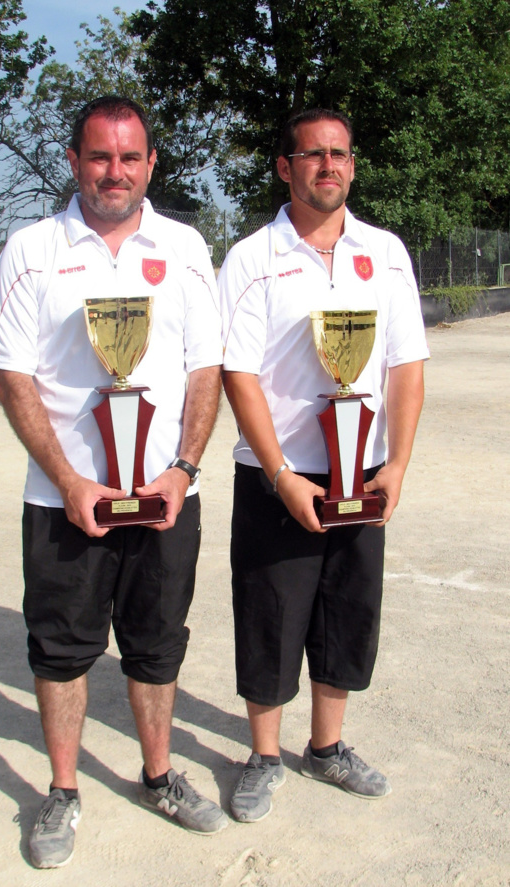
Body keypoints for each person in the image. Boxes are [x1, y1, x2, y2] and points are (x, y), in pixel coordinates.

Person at [0, 95, 228, 867]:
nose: (113, 172)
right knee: (60, 649)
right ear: (74, 162)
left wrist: (183, 471)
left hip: (162, 498)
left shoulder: (185, 246)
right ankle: (62, 791)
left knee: (157, 645)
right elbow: (10, 376)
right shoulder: (30, 249)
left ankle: (158, 773)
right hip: (62, 502)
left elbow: (204, 368)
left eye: (129, 157)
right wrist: (69, 478)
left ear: (152, 162)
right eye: (98, 156)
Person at [218, 108, 428, 823]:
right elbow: (238, 373)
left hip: (361, 471)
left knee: (348, 612)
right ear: (286, 167)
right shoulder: (252, 257)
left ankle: (327, 746)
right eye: (313, 155)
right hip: (279, 475)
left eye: (339, 154)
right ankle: (264, 755)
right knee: (271, 617)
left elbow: (406, 365)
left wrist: (396, 462)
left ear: (353, 164)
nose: (328, 166)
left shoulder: (386, 251)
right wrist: (279, 473)